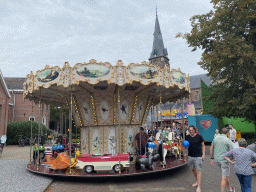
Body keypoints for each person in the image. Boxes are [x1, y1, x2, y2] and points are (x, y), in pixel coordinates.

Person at [210, 127, 234, 192]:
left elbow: (211, 148)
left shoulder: (215, 138)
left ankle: (230, 189)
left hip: (217, 160)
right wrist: (231, 159)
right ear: (228, 133)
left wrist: (212, 158)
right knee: (224, 177)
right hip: (224, 160)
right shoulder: (228, 140)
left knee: (225, 174)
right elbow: (232, 152)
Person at [185, 125, 205, 192]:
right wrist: (185, 147)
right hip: (190, 156)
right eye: (189, 130)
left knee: (198, 171)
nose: (191, 131)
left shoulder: (199, 137)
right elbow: (186, 145)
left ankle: (199, 186)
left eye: (192, 130)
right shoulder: (187, 137)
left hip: (198, 156)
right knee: (193, 170)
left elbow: (203, 145)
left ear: (194, 130)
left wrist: (204, 154)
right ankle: (197, 181)